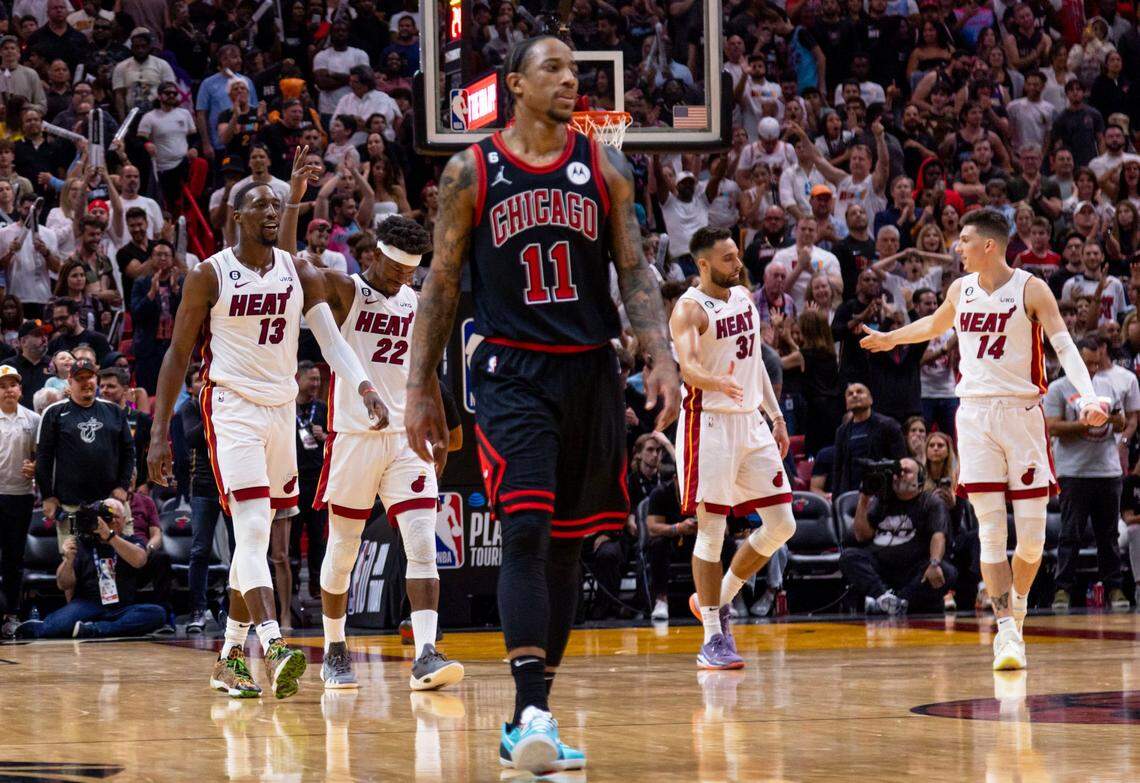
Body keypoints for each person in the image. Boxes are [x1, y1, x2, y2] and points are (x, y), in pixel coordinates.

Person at [403, 36, 679, 774]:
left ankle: (535, 713)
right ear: (516, 87)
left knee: (566, 542)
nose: (570, 78)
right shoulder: (472, 169)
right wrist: (418, 383)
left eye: (573, 69)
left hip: (588, 370)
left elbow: (635, 268)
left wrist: (660, 352)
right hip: (510, 370)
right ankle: (529, 706)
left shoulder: (605, 165)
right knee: (523, 527)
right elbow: (442, 283)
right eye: (552, 68)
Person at [146, 148, 386, 701]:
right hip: (231, 406)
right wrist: (159, 432)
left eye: (278, 204)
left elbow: (328, 337)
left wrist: (365, 384)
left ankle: (230, 659)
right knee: (252, 531)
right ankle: (275, 644)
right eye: (260, 204)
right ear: (237, 216)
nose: (272, 210)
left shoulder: (297, 269)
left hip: (280, 410)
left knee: (263, 535)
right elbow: (177, 354)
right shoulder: (208, 275)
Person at [860, 208, 1108, 670]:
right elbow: (935, 325)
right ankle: (1007, 631)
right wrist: (892, 338)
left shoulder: (1031, 289)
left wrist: (1087, 396)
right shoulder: (960, 289)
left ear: (989, 245)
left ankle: (1018, 604)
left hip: (1022, 416)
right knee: (991, 534)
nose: (957, 247)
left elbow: (1064, 345)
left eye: (964, 239)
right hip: (974, 417)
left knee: (1031, 543)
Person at [281, 211, 464, 691]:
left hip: (405, 438)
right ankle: (335, 648)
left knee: (423, 543)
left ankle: (425, 651)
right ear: (376, 255)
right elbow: (293, 269)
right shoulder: (346, 291)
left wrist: (439, 428)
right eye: (399, 268)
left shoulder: (418, 303)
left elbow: (426, 376)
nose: (406, 277)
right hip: (353, 437)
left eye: (412, 271)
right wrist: (294, 208)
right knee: (343, 550)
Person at [669, 225, 796, 669]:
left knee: (782, 524)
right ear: (703, 264)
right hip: (710, 425)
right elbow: (688, 366)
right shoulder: (689, 310)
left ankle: (719, 598)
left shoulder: (743, 296)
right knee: (713, 530)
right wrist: (713, 379)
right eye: (727, 258)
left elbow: (756, 360)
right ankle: (711, 639)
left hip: (751, 423)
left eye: (737, 255)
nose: (737, 263)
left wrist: (775, 415)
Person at [1044, 335, 1136, 611]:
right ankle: (1062, 590)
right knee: (1070, 533)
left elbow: (1120, 422)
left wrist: (1112, 420)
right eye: (1087, 363)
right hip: (1073, 471)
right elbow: (1053, 427)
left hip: (1107, 471)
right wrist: (1086, 423)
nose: (1093, 369)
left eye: (1097, 364)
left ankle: (1115, 589)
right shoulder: (1058, 388)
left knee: (1107, 535)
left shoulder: (1108, 386)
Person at [14, 498, 165, 640]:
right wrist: (68, 560)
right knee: (58, 625)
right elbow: (63, 584)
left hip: (121, 608)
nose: (109, 521)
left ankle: (95, 629)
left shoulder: (131, 541)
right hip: (87, 605)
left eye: (115, 517)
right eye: (105, 517)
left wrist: (110, 536)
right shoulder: (83, 543)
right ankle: (44, 626)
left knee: (157, 613)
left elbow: (139, 560)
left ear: (124, 520)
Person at [35, 359, 134, 552]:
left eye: (89, 377)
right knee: (73, 563)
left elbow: (128, 452)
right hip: (70, 506)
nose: (86, 382)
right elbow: (43, 459)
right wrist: (47, 496)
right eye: (80, 378)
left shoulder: (114, 411)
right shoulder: (54, 412)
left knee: (119, 561)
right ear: (70, 381)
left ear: (95, 379)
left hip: (110, 501)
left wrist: (123, 485)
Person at [840, 458, 956, 614]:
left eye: (906, 472)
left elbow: (938, 535)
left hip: (913, 571)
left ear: (919, 479)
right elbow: (862, 536)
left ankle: (898, 601)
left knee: (946, 571)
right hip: (881, 569)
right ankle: (884, 597)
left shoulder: (930, 502)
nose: (899, 475)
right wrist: (864, 499)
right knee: (849, 556)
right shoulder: (883, 501)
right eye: (896, 472)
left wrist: (934, 563)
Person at [0, 364, 38, 636]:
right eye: (2, 386)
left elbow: (42, 458)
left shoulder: (33, 420)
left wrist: (36, 469)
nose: (8, 390)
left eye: (12, 385)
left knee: (14, 559)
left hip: (21, 497)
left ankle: (11, 614)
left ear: (20, 390)